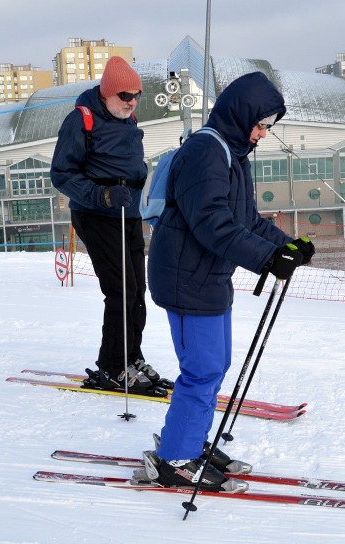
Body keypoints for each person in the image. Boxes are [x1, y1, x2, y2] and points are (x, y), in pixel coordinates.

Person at [144, 71, 315, 491]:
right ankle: (175, 459)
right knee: (201, 372)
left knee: (213, 368)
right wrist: (267, 258)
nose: (261, 134)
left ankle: (188, 439)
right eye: (259, 125)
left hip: (209, 277)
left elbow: (246, 220)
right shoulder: (206, 152)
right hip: (187, 280)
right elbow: (213, 225)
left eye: (267, 128)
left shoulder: (232, 155)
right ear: (240, 116)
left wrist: (288, 245)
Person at [50, 56, 169, 397]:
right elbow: (62, 174)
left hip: (127, 213)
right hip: (97, 214)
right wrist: (101, 195)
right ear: (107, 93)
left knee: (137, 291)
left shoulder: (128, 120)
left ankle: (131, 358)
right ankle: (113, 367)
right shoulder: (81, 120)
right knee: (120, 290)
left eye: (136, 96)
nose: (131, 102)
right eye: (124, 96)